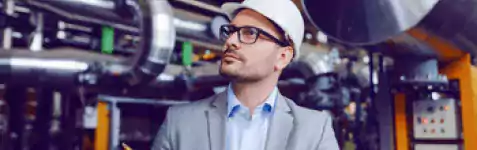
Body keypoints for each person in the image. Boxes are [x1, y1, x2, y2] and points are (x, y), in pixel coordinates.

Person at [152, 0, 339, 149]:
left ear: (283, 57)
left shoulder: (314, 130)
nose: (231, 41)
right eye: (230, 31)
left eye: (250, 33)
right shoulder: (180, 123)